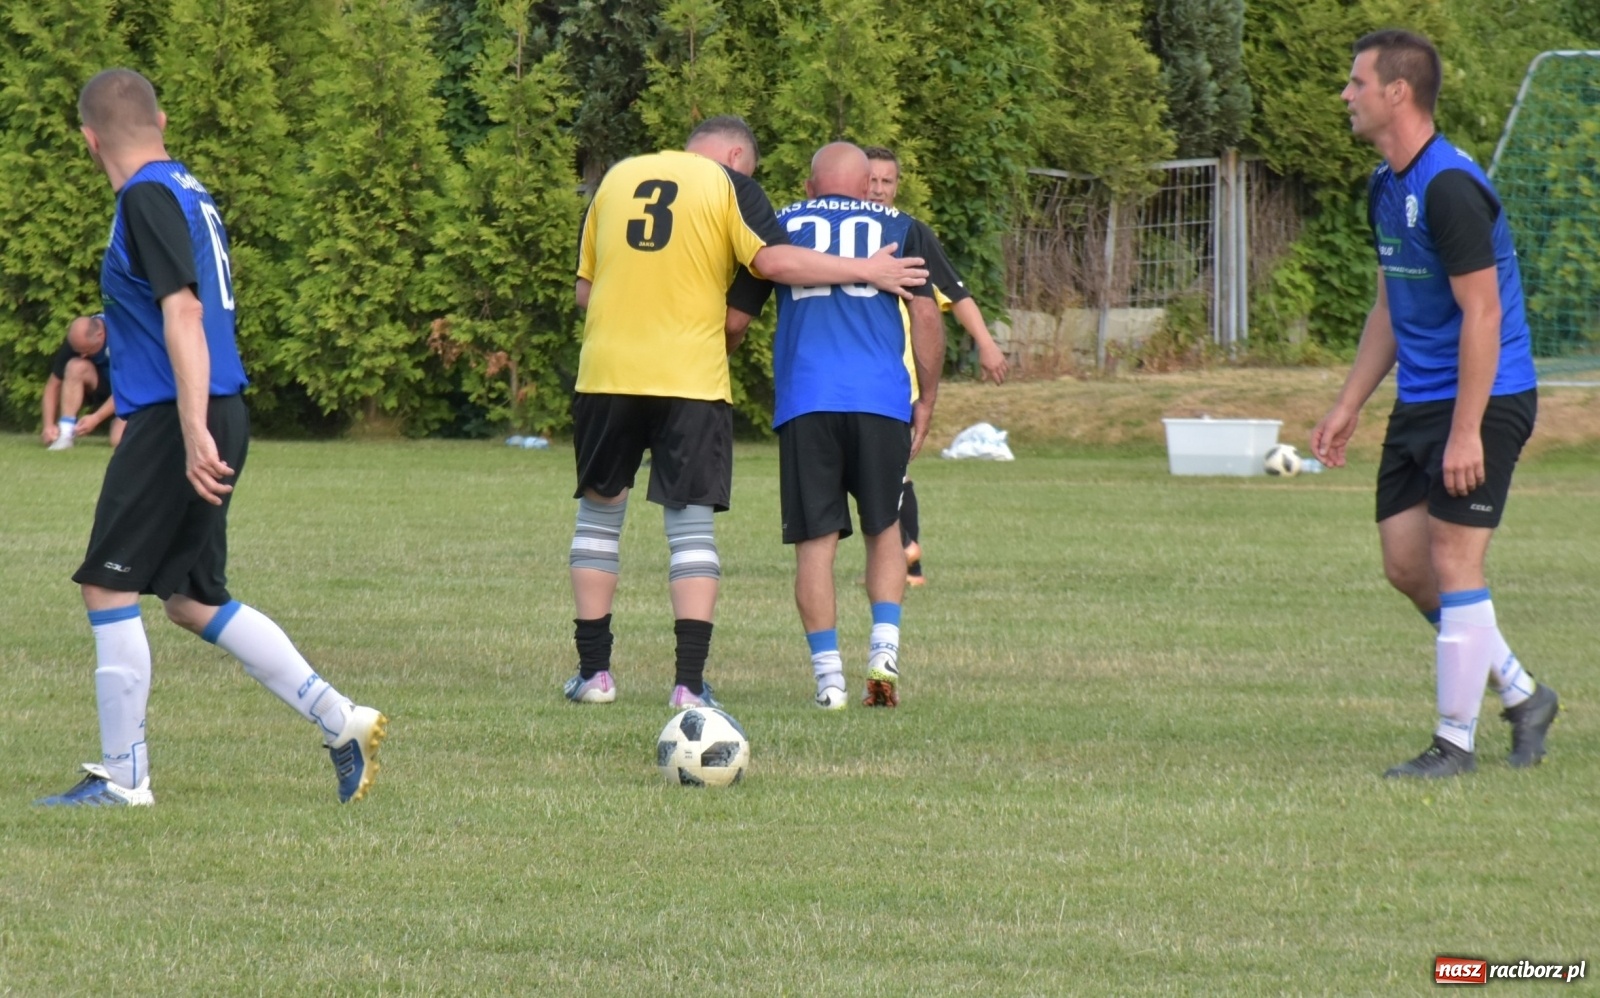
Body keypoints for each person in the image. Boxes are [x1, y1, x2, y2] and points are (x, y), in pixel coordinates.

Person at [35, 69, 386, 808]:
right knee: (191, 598)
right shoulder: (187, 186)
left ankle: (124, 779)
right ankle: (340, 719)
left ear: (89, 140)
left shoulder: (145, 197)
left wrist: (190, 429)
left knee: (108, 583)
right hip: (214, 407)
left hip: (181, 417)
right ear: (161, 121)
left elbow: (185, 312)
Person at [566, 116, 928, 710]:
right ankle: (688, 685)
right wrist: (868, 269)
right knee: (690, 529)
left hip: (607, 371)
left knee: (599, 520)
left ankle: (594, 676)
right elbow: (775, 263)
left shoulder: (616, 179)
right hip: (690, 375)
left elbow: (586, 291)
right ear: (736, 156)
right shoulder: (730, 185)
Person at [1310, 30, 1558, 779]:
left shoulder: (1449, 186)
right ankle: (1523, 693)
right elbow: (1390, 307)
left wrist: (1467, 431)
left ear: (1397, 92)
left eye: (1356, 82)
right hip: (1421, 399)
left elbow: (1483, 313)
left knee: (1454, 561)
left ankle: (1454, 743)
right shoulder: (1384, 186)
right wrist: (1349, 403)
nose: (1346, 95)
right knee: (1407, 565)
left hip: (1486, 396)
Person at [730, 142, 950, 709]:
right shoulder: (901, 226)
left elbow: (735, 321)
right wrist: (927, 398)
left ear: (809, 187)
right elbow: (926, 314)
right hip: (880, 399)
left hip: (807, 400)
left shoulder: (778, 225)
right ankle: (883, 654)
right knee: (885, 528)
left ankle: (829, 681)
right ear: (867, 187)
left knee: (815, 544)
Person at [862, 146, 1009, 586]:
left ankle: (907, 554)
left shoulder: (910, 233)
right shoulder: (841, 233)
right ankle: (907, 559)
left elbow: (954, 292)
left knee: (888, 471)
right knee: (887, 471)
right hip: (856, 373)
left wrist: (987, 344)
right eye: (871, 180)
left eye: (887, 181)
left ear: (897, 187)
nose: (878, 189)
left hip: (897, 375)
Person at [41, 314, 126, 450]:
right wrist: (48, 425)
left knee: (117, 440)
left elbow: (128, 388)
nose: (83, 355)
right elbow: (53, 385)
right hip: (104, 385)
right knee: (75, 366)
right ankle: (65, 433)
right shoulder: (78, 340)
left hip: (130, 393)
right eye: (79, 351)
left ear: (100, 335)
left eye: (87, 350)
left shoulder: (123, 337)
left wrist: (96, 418)